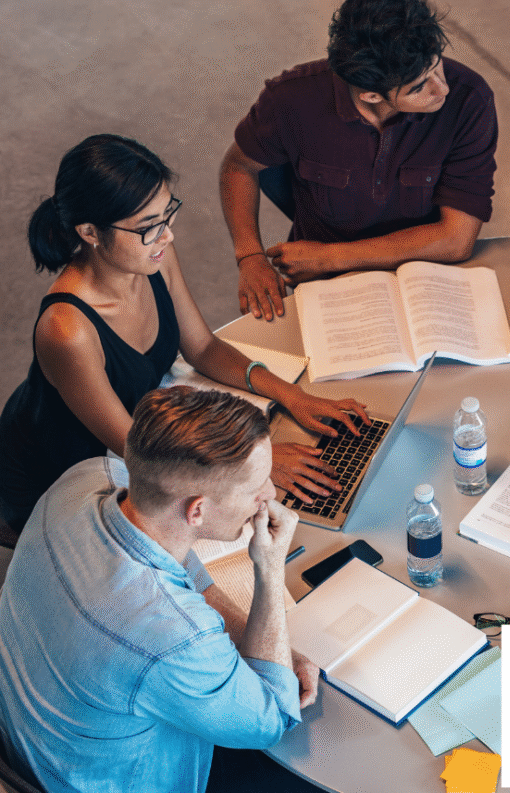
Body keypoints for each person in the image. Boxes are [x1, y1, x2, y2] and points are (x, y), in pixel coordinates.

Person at [0, 387, 411, 793]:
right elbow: (273, 715)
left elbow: (187, 575)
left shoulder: (81, 482)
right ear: (197, 510)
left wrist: (255, 642)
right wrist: (269, 570)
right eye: (258, 489)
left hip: (59, 760)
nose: (271, 496)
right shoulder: (172, 636)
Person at [0, 134, 370, 536]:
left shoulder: (155, 256)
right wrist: (250, 466)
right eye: (148, 226)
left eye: (166, 215)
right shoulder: (66, 330)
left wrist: (291, 394)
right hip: (68, 472)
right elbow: (136, 453)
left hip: (146, 429)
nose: (167, 235)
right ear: (90, 232)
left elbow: (203, 347)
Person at [220, 0, 498, 321]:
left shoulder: (470, 100)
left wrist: (328, 257)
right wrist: (250, 257)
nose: (443, 88)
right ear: (371, 95)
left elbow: (456, 239)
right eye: (420, 86)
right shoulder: (290, 100)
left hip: (425, 274)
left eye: (437, 64)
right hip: (326, 286)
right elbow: (239, 167)